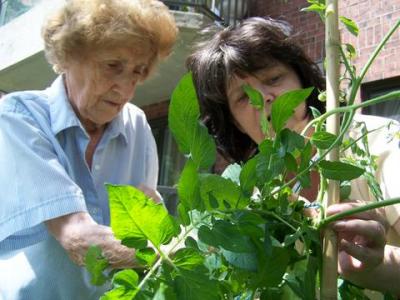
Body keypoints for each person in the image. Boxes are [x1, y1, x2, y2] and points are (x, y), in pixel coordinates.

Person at [186, 17, 400, 296]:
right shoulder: (252, 199)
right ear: (234, 122)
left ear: (301, 78)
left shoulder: (376, 140)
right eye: (242, 96)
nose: (264, 98)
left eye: (274, 78)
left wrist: (377, 267)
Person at [0, 0, 177, 299]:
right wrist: (183, 250)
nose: (125, 89)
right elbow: (78, 238)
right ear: (68, 55)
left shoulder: (137, 125)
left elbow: (147, 224)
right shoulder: (20, 116)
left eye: (138, 71)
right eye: (112, 66)